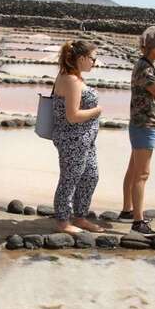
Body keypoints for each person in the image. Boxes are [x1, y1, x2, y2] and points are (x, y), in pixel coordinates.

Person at [119, 26, 155, 236]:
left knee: (134, 169)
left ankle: (127, 210)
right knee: (142, 174)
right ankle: (138, 221)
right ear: (152, 47)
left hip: (144, 123)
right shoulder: (147, 69)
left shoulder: (148, 64)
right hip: (145, 124)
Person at [51, 39, 103, 235]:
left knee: (91, 175)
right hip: (72, 139)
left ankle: (80, 216)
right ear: (81, 58)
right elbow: (72, 116)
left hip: (85, 139)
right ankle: (63, 221)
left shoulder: (75, 76)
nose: (94, 62)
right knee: (70, 178)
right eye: (93, 58)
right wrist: (97, 110)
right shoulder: (71, 80)